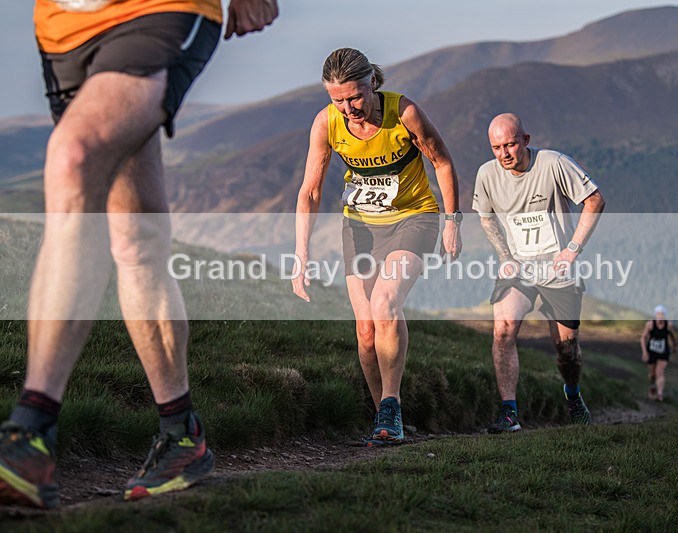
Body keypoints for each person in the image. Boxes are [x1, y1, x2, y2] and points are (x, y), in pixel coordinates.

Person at [0, 0, 278, 509]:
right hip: (64, 29)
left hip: (160, 10)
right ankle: (181, 436)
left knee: (74, 157)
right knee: (137, 237)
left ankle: (29, 433)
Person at [293, 48, 461, 446]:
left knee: (386, 301)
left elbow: (442, 162)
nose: (348, 107)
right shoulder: (326, 123)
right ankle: (386, 419)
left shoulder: (405, 114)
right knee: (366, 330)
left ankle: (391, 406)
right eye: (337, 99)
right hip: (361, 224)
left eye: (354, 97)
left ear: (372, 83)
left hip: (413, 217)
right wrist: (302, 254)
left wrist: (453, 222)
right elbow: (311, 191)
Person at [473, 113, 605, 432]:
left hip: (558, 268)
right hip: (518, 268)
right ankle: (509, 412)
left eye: (511, 144)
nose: (504, 153)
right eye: (496, 147)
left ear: (526, 140)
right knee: (503, 330)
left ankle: (572, 395)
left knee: (566, 349)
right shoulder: (487, 175)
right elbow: (486, 218)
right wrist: (505, 256)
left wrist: (572, 249)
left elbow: (595, 200)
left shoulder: (553, 163)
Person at [640, 304, 677, 401]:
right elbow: (643, 338)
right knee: (652, 374)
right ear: (655, 315)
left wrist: (674, 345)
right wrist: (644, 352)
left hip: (663, 352)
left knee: (660, 372)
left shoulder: (668, 325)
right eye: (658, 314)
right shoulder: (650, 325)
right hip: (651, 351)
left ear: (664, 316)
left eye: (662, 315)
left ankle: (660, 393)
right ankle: (652, 385)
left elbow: (673, 336)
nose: (660, 317)